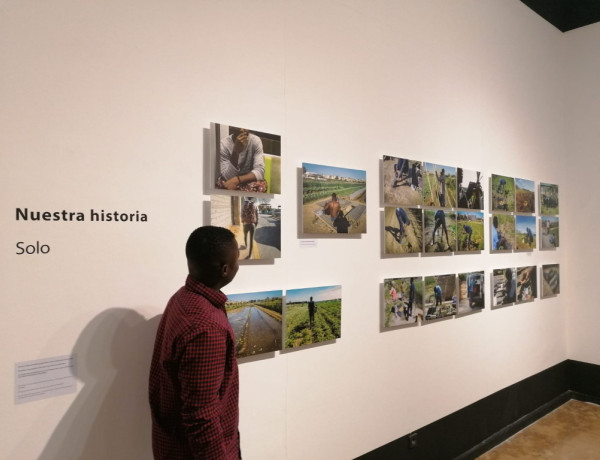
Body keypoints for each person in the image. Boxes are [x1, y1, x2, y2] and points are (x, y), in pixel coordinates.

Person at [149, 226, 241, 460]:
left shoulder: (182, 298)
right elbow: (202, 417)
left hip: (172, 443)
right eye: (237, 258)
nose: (238, 265)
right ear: (225, 269)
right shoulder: (206, 329)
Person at [217, 127, 267, 193]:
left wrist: (237, 180)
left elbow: (260, 171)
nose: (242, 130)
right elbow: (226, 177)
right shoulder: (224, 144)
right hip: (230, 181)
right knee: (222, 183)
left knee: (262, 185)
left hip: (247, 180)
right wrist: (235, 152)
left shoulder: (255, 141)